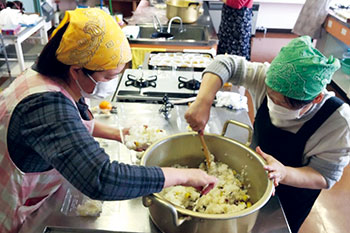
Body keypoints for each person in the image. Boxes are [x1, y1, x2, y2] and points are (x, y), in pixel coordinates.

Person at [0, 8, 217, 233]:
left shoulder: (52, 72)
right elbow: (101, 178)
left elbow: (69, 125)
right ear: (76, 70)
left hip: (34, 199)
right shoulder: (44, 105)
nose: (110, 84)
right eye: (107, 77)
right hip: (10, 211)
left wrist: (119, 133)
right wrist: (185, 176)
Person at [185, 36, 350, 233]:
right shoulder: (268, 76)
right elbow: (224, 62)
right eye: (270, 97)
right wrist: (203, 101)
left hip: (291, 197)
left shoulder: (338, 122)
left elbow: (324, 176)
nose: (275, 106)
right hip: (251, 174)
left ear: (316, 99)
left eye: (284, 104)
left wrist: (284, 172)